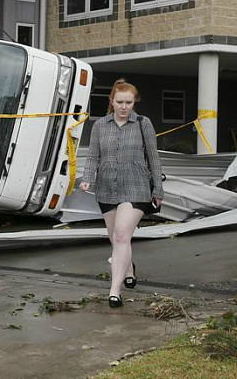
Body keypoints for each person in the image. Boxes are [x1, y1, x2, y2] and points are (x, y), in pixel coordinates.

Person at [79, 79, 163, 308]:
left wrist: (158, 189)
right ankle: (128, 269)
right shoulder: (100, 125)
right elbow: (93, 155)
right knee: (116, 239)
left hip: (136, 186)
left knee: (120, 237)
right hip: (106, 186)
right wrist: (87, 178)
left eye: (129, 102)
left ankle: (114, 291)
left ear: (134, 102)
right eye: (120, 102)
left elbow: (153, 157)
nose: (124, 107)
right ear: (111, 101)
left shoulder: (143, 124)